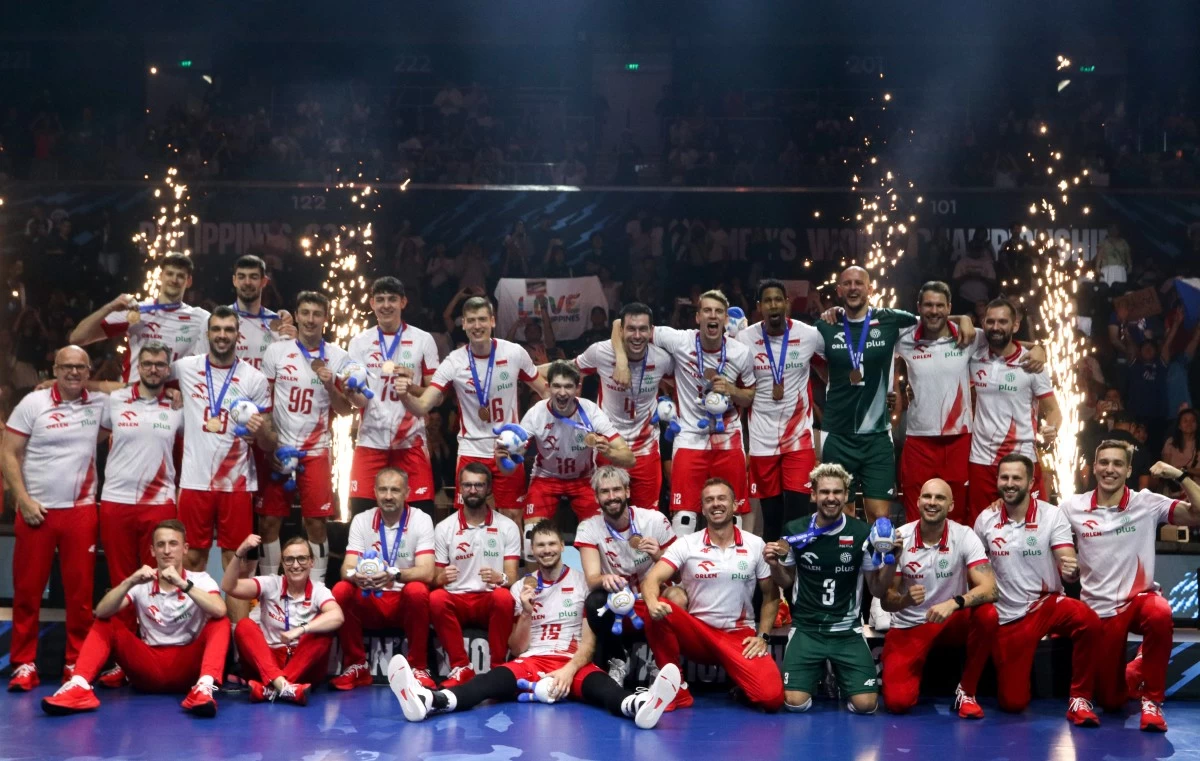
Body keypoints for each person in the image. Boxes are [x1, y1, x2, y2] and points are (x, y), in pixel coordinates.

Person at [387, 522, 682, 730]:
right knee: (486, 683)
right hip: (531, 660)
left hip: (570, 660)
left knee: (602, 689)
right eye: (540, 545)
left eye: (552, 544)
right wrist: (526, 612)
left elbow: (589, 643)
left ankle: (639, 706)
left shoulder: (582, 583)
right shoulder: (521, 588)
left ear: (562, 546)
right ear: (532, 550)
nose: (546, 550)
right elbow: (516, 648)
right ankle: (428, 700)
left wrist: (568, 670)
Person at [1059, 442, 1200, 732]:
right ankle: (1137, 668)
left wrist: (1179, 475)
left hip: (1140, 600)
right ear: (1094, 467)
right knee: (1111, 700)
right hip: (1099, 611)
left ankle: (1152, 703)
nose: (1110, 469)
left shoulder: (1146, 502)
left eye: (1118, 464)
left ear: (1129, 470)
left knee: (1160, 612)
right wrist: (1066, 567)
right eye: (1104, 462)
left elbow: (1198, 513)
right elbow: (1044, 531)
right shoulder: (1072, 507)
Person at [817, 266, 973, 521]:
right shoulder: (825, 326)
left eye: (859, 283)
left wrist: (963, 318)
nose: (853, 288)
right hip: (839, 434)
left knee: (880, 516)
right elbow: (818, 365)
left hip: (879, 437)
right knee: (841, 515)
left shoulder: (892, 320)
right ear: (839, 290)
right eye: (847, 283)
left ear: (870, 289)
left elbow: (931, 318)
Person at [40, 520, 230, 717]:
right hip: (147, 667)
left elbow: (220, 609)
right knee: (107, 622)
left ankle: (204, 688)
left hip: (187, 668)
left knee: (220, 622)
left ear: (185, 549)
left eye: (173, 544)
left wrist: (182, 584)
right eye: (160, 545)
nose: (167, 550)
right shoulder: (142, 582)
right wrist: (129, 582)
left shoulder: (200, 579)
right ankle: (79, 686)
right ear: (153, 551)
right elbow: (101, 612)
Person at [2, 345, 106, 691]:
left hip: (81, 511)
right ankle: (23, 663)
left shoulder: (100, 404)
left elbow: (128, 391)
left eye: (80, 367)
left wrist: (99, 384)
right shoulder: (33, 403)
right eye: (66, 367)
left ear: (88, 371)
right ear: (54, 370)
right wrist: (22, 500)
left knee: (80, 595)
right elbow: (8, 452)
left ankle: (76, 663)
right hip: (37, 511)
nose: (73, 372)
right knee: (27, 592)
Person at [613, 290, 755, 535]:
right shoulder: (679, 340)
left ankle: (730, 559)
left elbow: (750, 395)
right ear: (698, 317)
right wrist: (621, 361)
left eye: (718, 312)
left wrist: (732, 390)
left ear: (725, 319)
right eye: (707, 310)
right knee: (684, 517)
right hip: (689, 437)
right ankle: (681, 562)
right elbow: (620, 324)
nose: (713, 316)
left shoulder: (741, 352)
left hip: (728, 438)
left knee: (732, 513)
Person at [973, 454, 1101, 726]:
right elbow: (976, 571)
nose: (1009, 483)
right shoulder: (985, 520)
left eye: (1016, 478)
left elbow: (1066, 558)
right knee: (1013, 703)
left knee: (1089, 621)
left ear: (1031, 483)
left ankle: (1080, 699)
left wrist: (1071, 570)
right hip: (1009, 616)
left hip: (1047, 604)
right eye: (1004, 477)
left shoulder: (1052, 515)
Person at [640, 478, 784, 712]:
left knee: (772, 698)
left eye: (721, 498)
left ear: (735, 505)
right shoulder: (687, 544)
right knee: (657, 607)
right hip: (699, 634)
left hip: (739, 637)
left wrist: (764, 636)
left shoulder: (755, 544)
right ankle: (677, 690)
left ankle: (741, 685)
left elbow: (771, 595)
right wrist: (651, 601)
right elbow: (651, 580)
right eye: (709, 500)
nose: (716, 504)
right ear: (703, 509)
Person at [401, 295, 548, 522]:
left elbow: (544, 391)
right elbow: (423, 406)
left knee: (512, 516)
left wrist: (528, 430)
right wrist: (404, 394)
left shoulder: (514, 352)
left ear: (492, 321)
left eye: (482, 319)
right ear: (464, 324)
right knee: (470, 518)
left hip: (508, 447)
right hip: (472, 449)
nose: (477, 325)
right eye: (471, 320)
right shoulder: (454, 361)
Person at [764, 463, 891, 714]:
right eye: (824, 492)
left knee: (867, 706)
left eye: (837, 492)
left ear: (846, 495)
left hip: (847, 630)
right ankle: (821, 670)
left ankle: (838, 675)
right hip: (807, 628)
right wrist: (774, 565)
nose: (830, 498)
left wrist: (892, 561)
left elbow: (877, 589)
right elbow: (786, 582)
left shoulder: (862, 533)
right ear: (813, 495)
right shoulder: (795, 530)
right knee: (795, 703)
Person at [259, 291, 363, 578]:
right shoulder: (276, 351)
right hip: (280, 449)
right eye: (304, 313)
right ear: (297, 315)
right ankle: (269, 587)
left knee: (316, 523)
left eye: (317, 314)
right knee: (269, 522)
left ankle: (316, 589)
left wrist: (331, 387)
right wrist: (270, 445)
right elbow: (265, 402)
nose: (310, 319)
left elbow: (345, 410)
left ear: (325, 318)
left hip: (316, 450)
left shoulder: (338, 356)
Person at [879, 478, 999, 718]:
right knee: (898, 703)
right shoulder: (900, 537)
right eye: (927, 496)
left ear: (951, 505)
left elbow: (990, 589)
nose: (932, 502)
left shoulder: (963, 535)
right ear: (918, 501)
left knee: (988, 615)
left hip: (951, 621)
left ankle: (967, 692)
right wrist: (905, 600)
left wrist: (954, 603)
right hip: (911, 625)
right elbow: (886, 600)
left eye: (940, 498)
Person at [170, 307, 274, 582]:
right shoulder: (185, 368)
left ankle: (238, 614)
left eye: (229, 330)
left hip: (236, 484)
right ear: (207, 334)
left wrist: (260, 432)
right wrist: (170, 391)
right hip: (194, 481)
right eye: (216, 329)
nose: (222, 335)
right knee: (192, 558)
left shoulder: (254, 378)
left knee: (236, 562)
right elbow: (150, 378)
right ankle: (194, 611)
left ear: (238, 335)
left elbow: (268, 443)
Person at [97, 341, 183, 654]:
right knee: (123, 580)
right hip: (116, 501)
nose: (153, 369)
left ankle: (154, 648)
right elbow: (92, 438)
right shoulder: (115, 400)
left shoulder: (178, 406)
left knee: (158, 580)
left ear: (167, 369)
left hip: (160, 503)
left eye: (159, 364)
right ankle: (124, 654)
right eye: (147, 363)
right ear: (138, 366)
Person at [331, 467, 436, 690]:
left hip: (403, 604)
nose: (388, 496)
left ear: (407, 492)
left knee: (418, 590)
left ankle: (418, 666)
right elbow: (346, 568)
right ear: (375, 492)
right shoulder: (362, 520)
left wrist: (393, 573)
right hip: (372, 599)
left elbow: (427, 572)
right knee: (341, 590)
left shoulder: (421, 519)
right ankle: (357, 665)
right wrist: (357, 576)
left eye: (395, 490)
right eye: (383, 490)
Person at [347, 277, 441, 517]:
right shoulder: (359, 342)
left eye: (392, 299)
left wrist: (411, 387)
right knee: (360, 518)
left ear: (403, 302)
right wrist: (351, 392)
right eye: (380, 299)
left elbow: (438, 397)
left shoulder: (423, 339)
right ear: (372, 303)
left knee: (421, 518)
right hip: (371, 440)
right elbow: (359, 400)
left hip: (411, 442)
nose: (386, 305)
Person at [736, 278, 823, 538]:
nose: (773, 305)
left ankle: (799, 563)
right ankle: (774, 564)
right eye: (767, 301)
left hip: (799, 439)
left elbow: (830, 367)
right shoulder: (744, 338)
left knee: (798, 514)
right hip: (762, 441)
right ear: (759, 307)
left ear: (787, 303)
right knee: (771, 517)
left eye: (778, 300)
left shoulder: (809, 335)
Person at [511, 361, 633, 543]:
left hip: (584, 478)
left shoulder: (591, 411)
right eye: (557, 386)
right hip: (546, 477)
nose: (562, 392)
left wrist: (609, 452)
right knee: (531, 538)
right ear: (548, 387)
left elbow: (629, 458)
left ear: (578, 388)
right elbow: (513, 458)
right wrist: (507, 454)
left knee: (601, 537)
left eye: (568, 386)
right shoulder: (536, 413)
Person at [575, 465, 676, 684]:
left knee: (678, 596)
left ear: (627, 491)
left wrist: (658, 555)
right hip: (618, 602)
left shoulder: (654, 520)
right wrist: (604, 579)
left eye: (616, 490)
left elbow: (679, 572)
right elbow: (592, 580)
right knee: (594, 601)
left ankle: (661, 663)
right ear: (596, 497)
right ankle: (618, 659)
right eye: (604, 492)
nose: (612, 497)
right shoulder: (588, 528)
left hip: (652, 598)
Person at [967, 298, 1061, 524]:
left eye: (1002, 322)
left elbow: (1053, 410)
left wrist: (1052, 428)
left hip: (1022, 459)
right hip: (982, 461)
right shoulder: (973, 358)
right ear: (983, 323)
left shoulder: (1032, 364)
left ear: (1015, 325)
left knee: (1033, 526)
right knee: (980, 528)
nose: (996, 327)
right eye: (990, 321)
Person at [573, 302, 674, 509]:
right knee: (606, 514)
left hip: (646, 449)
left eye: (643, 329)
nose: (637, 336)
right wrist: (530, 371)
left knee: (648, 516)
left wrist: (673, 409)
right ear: (620, 330)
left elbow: (684, 384)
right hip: (609, 447)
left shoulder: (662, 359)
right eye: (631, 329)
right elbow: (570, 371)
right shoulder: (601, 352)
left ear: (651, 331)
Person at [429, 463, 522, 688]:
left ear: (488, 488)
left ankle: (498, 668)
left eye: (479, 485)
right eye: (468, 485)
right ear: (460, 488)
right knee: (436, 598)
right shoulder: (444, 527)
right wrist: (440, 578)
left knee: (503, 597)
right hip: (457, 599)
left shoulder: (507, 526)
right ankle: (461, 667)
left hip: (488, 599)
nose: (472, 490)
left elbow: (512, 577)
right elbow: (435, 578)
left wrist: (500, 578)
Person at [223, 534, 345, 704]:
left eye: (302, 558)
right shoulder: (271, 583)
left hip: (303, 664)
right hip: (268, 661)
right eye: (289, 560)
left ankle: (270, 689)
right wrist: (241, 551)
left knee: (323, 630)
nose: (295, 565)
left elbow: (337, 616)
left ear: (311, 562)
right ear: (282, 563)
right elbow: (229, 587)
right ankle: (284, 687)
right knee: (244, 625)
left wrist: (302, 629)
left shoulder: (319, 590)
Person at [70, 253, 210, 385]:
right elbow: (77, 338)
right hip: (132, 396)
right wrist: (109, 307)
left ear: (189, 281)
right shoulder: (136, 311)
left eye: (180, 276)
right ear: (160, 276)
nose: (174, 280)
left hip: (173, 398)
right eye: (169, 274)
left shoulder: (201, 318)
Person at [228, 254, 295, 370]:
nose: (247, 282)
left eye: (253, 277)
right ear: (234, 281)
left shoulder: (278, 323)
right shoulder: (218, 320)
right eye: (241, 277)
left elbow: (289, 366)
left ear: (264, 281)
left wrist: (295, 343)